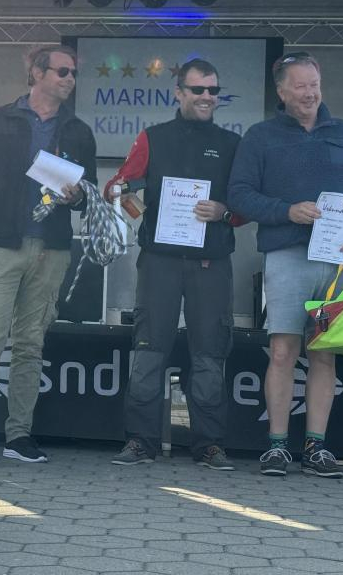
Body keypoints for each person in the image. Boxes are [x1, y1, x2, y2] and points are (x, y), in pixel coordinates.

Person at [0, 44, 97, 465]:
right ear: (37, 73)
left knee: (30, 343)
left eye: (73, 73)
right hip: (0, 244)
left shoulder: (78, 130)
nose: (70, 79)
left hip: (51, 248)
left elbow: (88, 195)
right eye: (62, 72)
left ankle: (19, 436)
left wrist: (78, 195)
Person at [228, 51, 343, 478]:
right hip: (287, 255)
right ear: (281, 91)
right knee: (282, 351)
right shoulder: (260, 137)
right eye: (300, 86)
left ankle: (316, 447)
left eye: (314, 84)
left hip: (336, 260)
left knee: (324, 353)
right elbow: (239, 195)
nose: (310, 93)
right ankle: (277, 447)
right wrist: (286, 211)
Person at [104, 59, 245, 470]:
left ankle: (209, 444)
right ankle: (141, 441)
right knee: (149, 348)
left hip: (211, 262)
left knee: (210, 351)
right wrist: (139, 209)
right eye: (198, 89)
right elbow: (116, 188)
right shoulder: (153, 138)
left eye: (213, 90)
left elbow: (247, 204)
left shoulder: (232, 144)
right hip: (160, 261)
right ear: (179, 92)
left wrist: (224, 212)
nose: (206, 97)